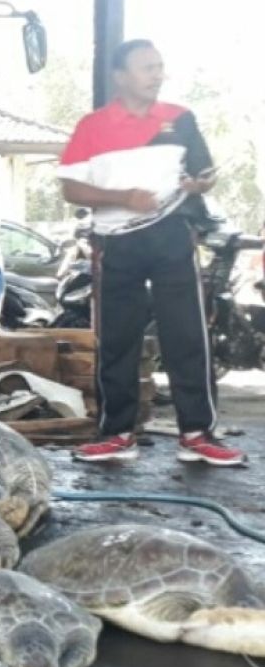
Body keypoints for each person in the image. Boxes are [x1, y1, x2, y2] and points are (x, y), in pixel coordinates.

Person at [58, 39, 245, 466]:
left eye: (160, 66)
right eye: (147, 67)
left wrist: (202, 183)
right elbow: (71, 189)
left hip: (172, 236)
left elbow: (203, 172)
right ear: (120, 76)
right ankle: (116, 435)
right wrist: (123, 196)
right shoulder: (92, 126)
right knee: (117, 341)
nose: (157, 74)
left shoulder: (181, 119)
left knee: (187, 336)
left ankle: (197, 435)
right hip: (115, 242)